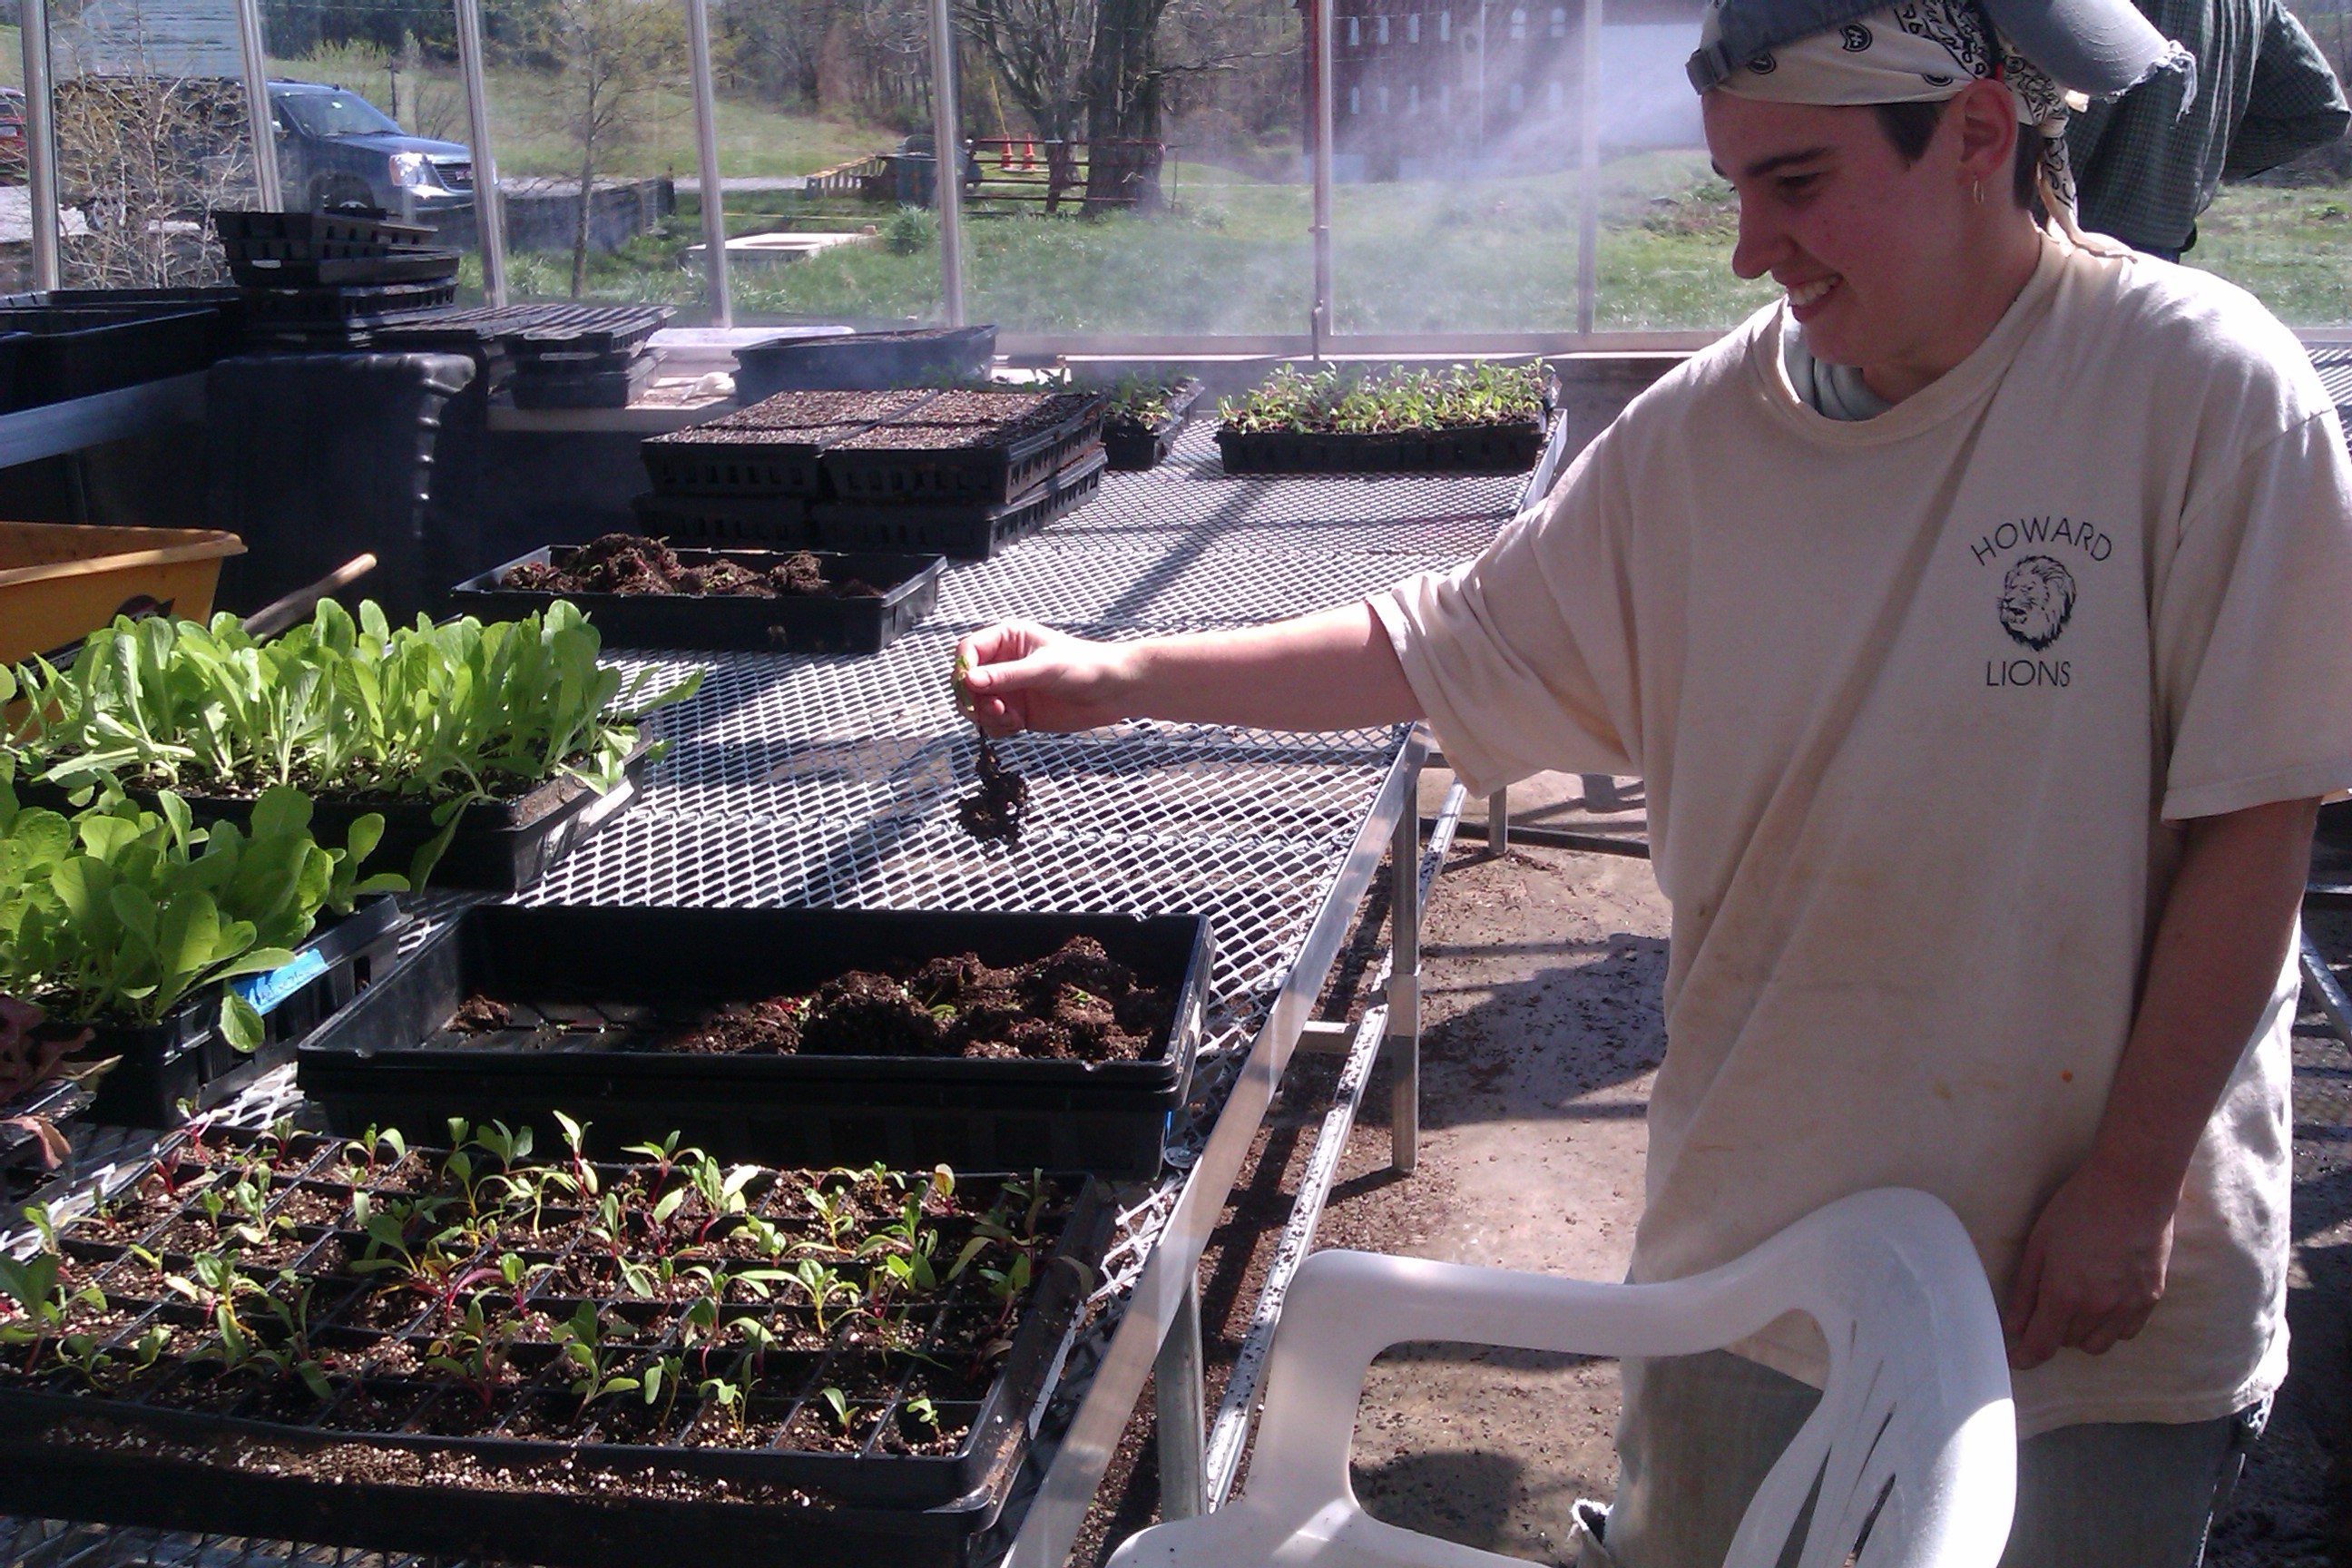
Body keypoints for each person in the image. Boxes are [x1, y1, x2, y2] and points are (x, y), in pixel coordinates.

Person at [956, 0, 2352, 1559]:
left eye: (1799, 183)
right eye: (1734, 187)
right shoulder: (1703, 439)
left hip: (2086, 1289)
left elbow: (2253, 821)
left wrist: (2133, 1178)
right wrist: (1117, 676)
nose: (1750, 250)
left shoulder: (2197, 392)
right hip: (1752, 1254)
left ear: (1974, 134)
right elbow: (1435, 644)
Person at [2067, 0, 2347, 261]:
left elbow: (2320, 113)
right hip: (2155, 245)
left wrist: (2197, 165)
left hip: (2054, 233)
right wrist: (2189, 167)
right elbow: (2319, 110)